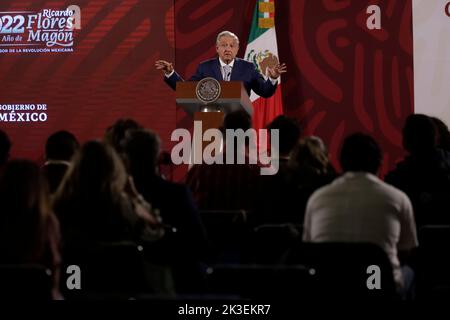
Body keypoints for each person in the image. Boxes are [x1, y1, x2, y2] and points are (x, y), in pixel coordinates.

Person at [303, 133, 418, 295]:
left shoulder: (317, 198)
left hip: (330, 287)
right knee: (412, 271)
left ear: (341, 163)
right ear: (379, 163)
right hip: (379, 287)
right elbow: (405, 251)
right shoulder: (397, 198)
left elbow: (310, 249)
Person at [155, 30, 286, 98]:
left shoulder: (248, 68)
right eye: (223, 45)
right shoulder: (205, 67)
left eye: (231, 46)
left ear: (237, 49)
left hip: (239, 126)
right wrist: (170, 73)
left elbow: (265, 92)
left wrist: (273, 78)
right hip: (212, 124)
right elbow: (185, 91)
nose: (228, 49)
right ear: (217, 48)